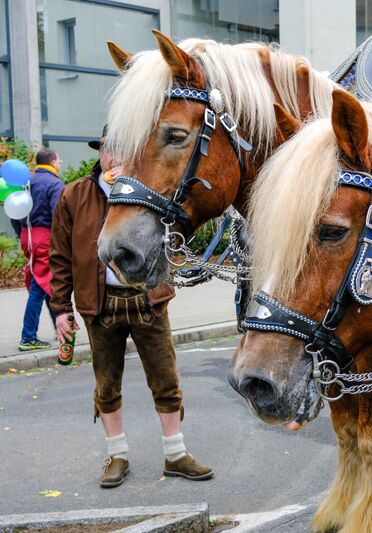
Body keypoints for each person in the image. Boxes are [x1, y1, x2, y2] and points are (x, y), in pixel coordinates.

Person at [48, 128, 213, 488]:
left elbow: (177, 234)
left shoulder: (149, 189)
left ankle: (175, 454)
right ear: (101, 154)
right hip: (100, 304)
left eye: (126, 149)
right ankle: (117, 455)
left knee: (166, 380)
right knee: (106, 386)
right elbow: (58, 257)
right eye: (111, 150)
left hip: (147, 299)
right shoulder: (75, 195)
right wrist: (60, 310)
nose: (117, 158)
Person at [11, 150, 64, 351]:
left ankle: (61, 329)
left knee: (47, 284)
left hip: (29, 235)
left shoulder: (25, 182)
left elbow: (14, 213)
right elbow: (57, 215)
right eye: (59, 160)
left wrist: (23, 235)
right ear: (52, 162)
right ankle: (28, 337)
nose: (60, 163)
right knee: (39, 286)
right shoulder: (54, 183)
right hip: (45, 237)